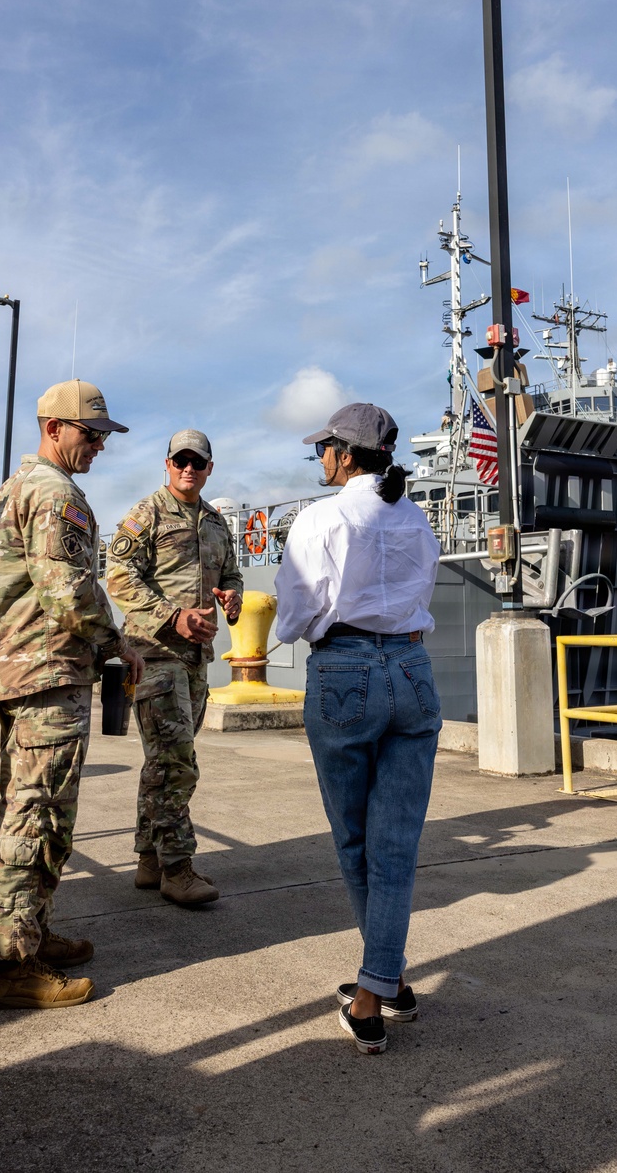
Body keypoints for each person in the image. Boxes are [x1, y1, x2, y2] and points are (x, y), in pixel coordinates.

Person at [0, 379, 144, 1011]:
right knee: (37, 814)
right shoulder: (54, 493)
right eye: (90, 434)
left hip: (26, 671)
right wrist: (116, 644)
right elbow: (68, 592)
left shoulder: (20, 485)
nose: (99, 445)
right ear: (54, 428)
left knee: (28, 807)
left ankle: (31, 933)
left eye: (103, 436)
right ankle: (16, 966)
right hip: (46, 673)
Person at [274, 403, 441, 1056]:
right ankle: (387, 976)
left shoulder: (320, 517)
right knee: (395, 843)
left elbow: (295, 613)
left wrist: (300, 626)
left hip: (346, 670)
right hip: (413, 669)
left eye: (324, 449)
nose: (320, 458)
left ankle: (371, 998)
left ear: (345, 455)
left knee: (354, 839)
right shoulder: (416, 517)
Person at [106, 429, 243, 906]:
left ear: (209, 469)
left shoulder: (216, 523)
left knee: (164, 761)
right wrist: (173, 617)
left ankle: (149, 860)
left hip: (196, 659)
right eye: (180, 460)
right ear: (167, 464)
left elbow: (231, 572)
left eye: (197, 462)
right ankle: (177, 867)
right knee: (175, 761)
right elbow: (118, 576)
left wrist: (232, 596)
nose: (188, 468)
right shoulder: (147, 514)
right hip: (154, 654)